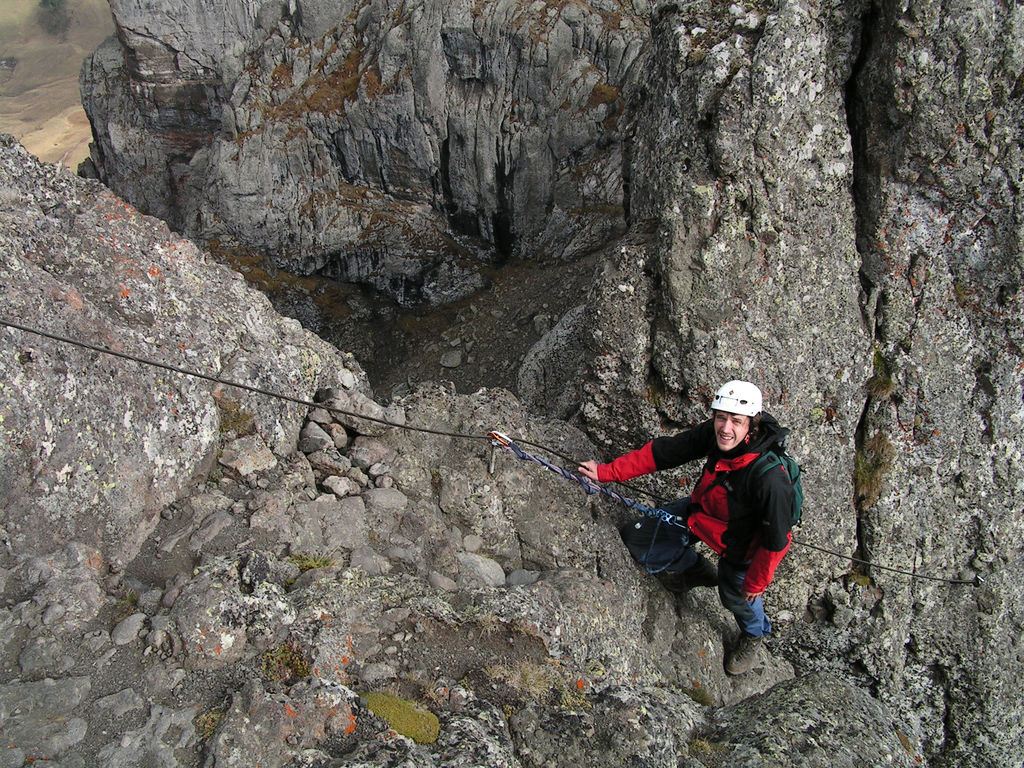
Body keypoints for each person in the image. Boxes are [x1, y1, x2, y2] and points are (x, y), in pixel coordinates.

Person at [578, 380, 794, 675]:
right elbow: (666, 452)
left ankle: (754, 634)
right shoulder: (716, 433)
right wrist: (608, 472)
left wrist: (756, 582)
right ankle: (696, 569)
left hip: (743, 542)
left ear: (752, 425)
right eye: (721, 417)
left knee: (736, 595)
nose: (725, 428)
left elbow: (777, 540)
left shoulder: (771, 480)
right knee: (639, 540)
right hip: (703, 512)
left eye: (736, 421)